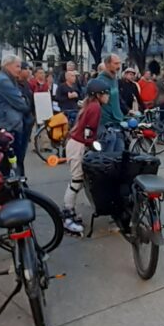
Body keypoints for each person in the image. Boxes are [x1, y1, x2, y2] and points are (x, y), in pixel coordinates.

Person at [61, 80, 109, 234]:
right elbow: (88, 132)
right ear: (98, 94)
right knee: (76, 181)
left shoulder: (90, 104)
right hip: (78, 146)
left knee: (79, 181)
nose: (108, 96)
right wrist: (93, 144)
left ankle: (69, 212)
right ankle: (67, 216)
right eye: (105, 93)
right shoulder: (95, 107)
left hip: (76, 143)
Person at [0, 55, 33, 165]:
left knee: (15, 158)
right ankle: (14, 179)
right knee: (12, 159)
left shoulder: (8, 79)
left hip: (10, 123)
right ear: (7, 65)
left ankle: (17, 178)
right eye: (17, 66)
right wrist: (24, 100)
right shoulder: (3, 80)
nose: (20, 69)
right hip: (7, 124)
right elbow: (21, 103)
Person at [90, 54, 126, 152]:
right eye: (116, 63)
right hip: (105, 124)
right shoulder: (100, 81)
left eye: (119, 63)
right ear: (107, 64)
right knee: (107, 156)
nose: (119, 66)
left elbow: (116, 99)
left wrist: (124, 111)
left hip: (117, 122)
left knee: (119, 153)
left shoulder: (114, 79)